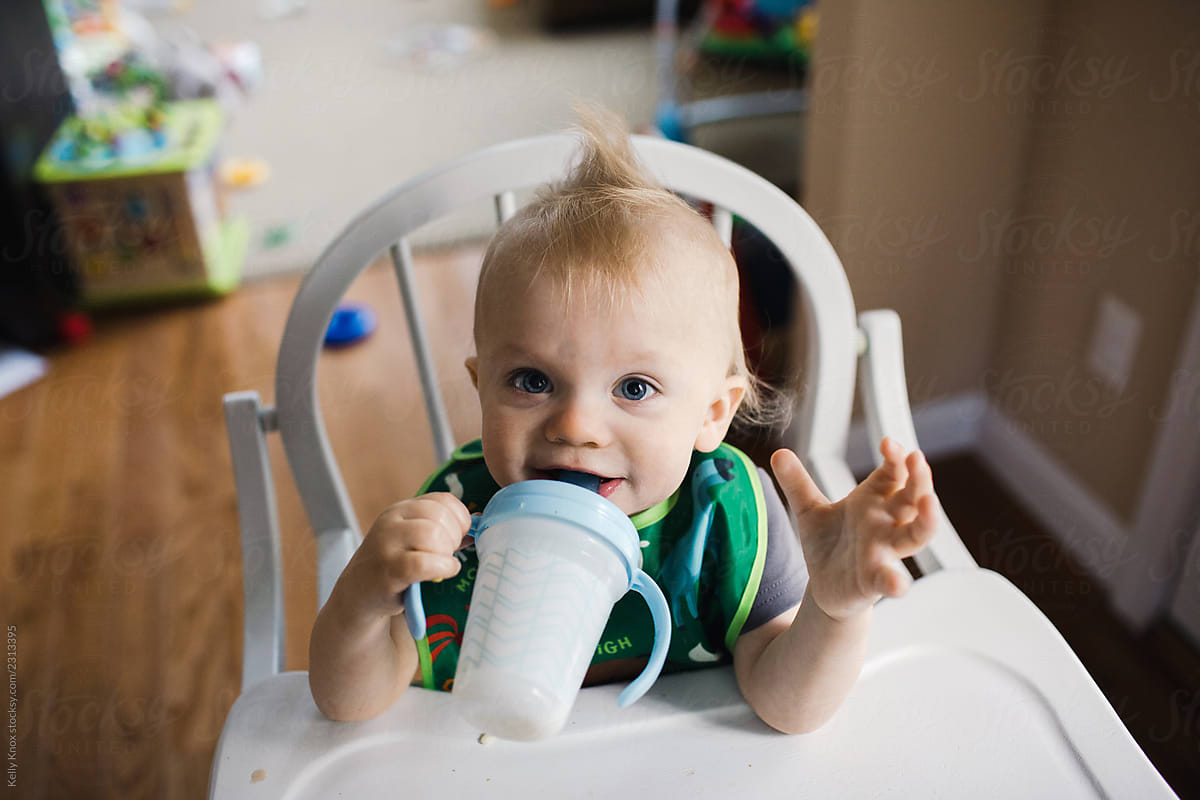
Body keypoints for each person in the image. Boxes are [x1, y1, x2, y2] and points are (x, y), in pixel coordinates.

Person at [308, 107, 939, 734]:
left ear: (712, 415)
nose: (577, 424)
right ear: (482, 387)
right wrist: (363, 600)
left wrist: (834, 609)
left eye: (634, 387)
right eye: (532, 381)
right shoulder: (457, 515)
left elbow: (786, 706)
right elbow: (351, 704)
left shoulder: (727, 518)